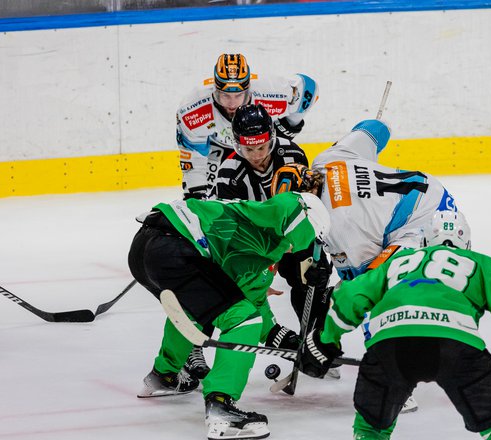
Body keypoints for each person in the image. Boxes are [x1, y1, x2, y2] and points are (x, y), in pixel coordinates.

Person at [297, 210, 491, 440]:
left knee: (371, 426)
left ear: (425, 241)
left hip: (390, 345)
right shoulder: (479, 263)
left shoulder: (397, 264)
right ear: (467, 244)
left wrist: (326, 340)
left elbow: (349, 297)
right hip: (455, 345)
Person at [270, 118, 464, 409]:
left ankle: (395, 379)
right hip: (429, 192)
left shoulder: (342, 225)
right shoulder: (329, 158)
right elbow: (375, 128)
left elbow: (362, 289)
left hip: (430, 230)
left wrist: (325, 337)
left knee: (378, 293)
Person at [128, 191, 331, 439]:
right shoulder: (279, 217)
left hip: (145, 249)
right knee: (242, 319)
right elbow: (294, 206)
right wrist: (306, 252)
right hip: (173, 247)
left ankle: (165, 376)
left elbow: (251, 303)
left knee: (200, 308)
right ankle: (221, 406)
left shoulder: (259, 249)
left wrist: (292, 343)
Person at [175, 52, 319, 384]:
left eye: (238, 93)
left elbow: (307, 89)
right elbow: (193, 164)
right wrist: (200, 209)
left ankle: (311, 336)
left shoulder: (273, 92)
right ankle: (192, 347)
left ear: (248, 86)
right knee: (211, 255)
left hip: (259, 137)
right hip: (214, 151)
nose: (231, 101)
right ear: (214, 87)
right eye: (224, 93)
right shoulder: (193, 111)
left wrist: (291, 123)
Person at [216, 103, 334, 350]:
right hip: (253, 241)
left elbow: (306, 207)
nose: (257, 155)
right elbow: (233, 232)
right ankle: (270, 333)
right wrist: (263, 270)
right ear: (238, 144)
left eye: (262, 147)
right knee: (231, 285)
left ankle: (313, 340)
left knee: (311, 277)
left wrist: (316, 252)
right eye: (249, 149)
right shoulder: (228, 172)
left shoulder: (292, 155)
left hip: (289, 234)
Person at [177, 53, 318, 201]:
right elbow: (193, 157)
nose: (232, 104)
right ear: (215, 90)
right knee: (211, 200)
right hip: (216, 147)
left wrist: (284, 129)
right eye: (225, 96)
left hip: (258, 143)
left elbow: (309, 88)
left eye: (238, 96)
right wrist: (196, 195)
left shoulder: (270, 92)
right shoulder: (193, 109)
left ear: (249, 89)